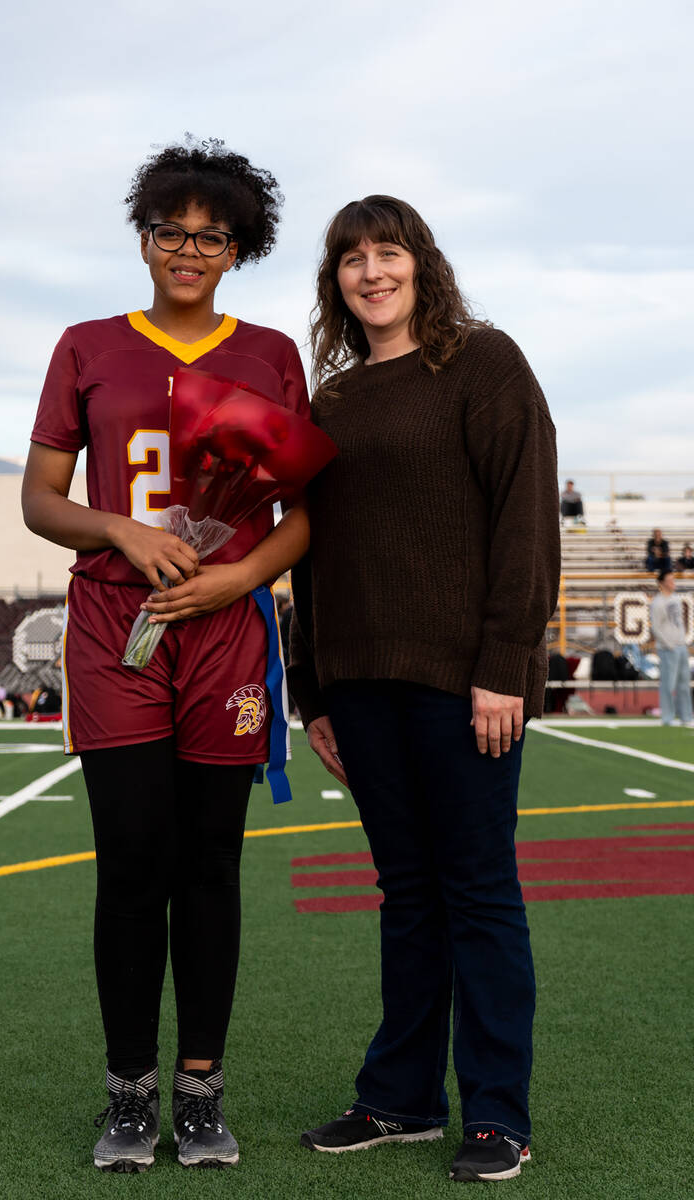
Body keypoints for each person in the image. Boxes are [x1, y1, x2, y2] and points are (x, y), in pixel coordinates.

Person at [22, 138, 310, 1172]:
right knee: (131, 867)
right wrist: (119, 532)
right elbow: (42, 499)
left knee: (212, 869)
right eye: (169, 232)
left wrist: (239, 578)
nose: (187, 251)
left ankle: (200, 1088)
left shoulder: (269, 351)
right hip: (116, 626)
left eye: (211, 237)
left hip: (224, 629)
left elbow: (299, 514)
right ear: (143, 238)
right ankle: (128, 1090)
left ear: (237, 250)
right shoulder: (87, 344)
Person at [288, 196, 560, 1184]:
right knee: (406, 896)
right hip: (357, 687)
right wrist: (311, 691)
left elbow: (524, 520)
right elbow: (308, 557)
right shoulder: (329, 404)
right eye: (349, 258)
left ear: (420, 265)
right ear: (336, 281)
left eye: (386, 252)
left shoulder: (480, 365)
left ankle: (495, 1115)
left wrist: (501, 669)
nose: (369, 271)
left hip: (460, 685)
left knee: (477, 894)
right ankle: (399, 1099)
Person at [650, 570, 693, 726]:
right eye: (669, 580)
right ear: (662, 583)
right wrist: (668, 644)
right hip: (668, 648)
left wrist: (682, 641)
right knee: (668, 683)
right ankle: (667, 717)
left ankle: (686, 716)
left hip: (681, 645)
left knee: (684, 682)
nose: (672, 582)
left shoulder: (675, 599)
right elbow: (656, 627)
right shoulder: (657, 603)